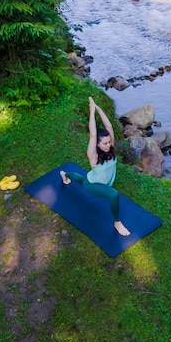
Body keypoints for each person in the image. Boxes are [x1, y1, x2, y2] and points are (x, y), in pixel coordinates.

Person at [60, 97, 131, 237]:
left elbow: (109, 127)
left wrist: (99, 109)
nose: (108, 144)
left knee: (80, 179)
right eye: (104, 143)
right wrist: (92, 111)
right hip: (93, 185)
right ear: (97, 144)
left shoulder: (111, 149)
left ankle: (64, 174)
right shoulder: (94, 156)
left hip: (90, 178)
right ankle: (117, 223)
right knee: (114, 195)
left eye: (109, 141)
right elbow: (93, 134)